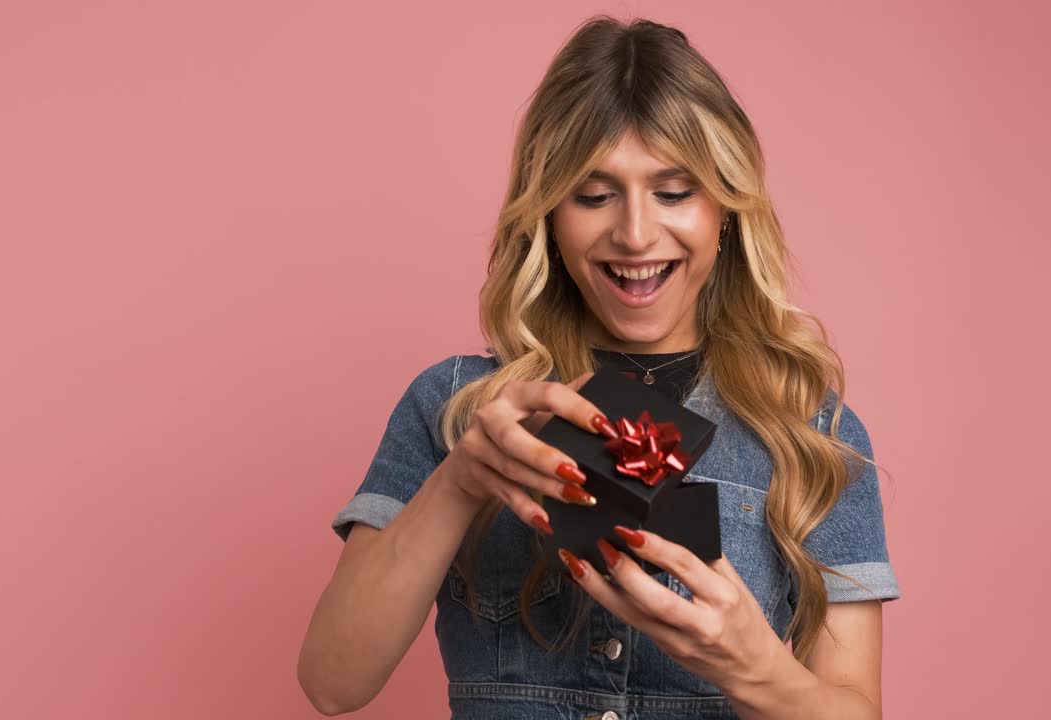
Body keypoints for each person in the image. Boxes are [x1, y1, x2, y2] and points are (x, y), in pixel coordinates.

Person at [298, 15, 901, 720]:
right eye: (593, 194)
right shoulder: (453, 404)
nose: (636, 234)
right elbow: (331, 683)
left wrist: (755, 665)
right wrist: (462, 478)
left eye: (675, 192)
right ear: (549, 211)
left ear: (726, 210)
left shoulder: (812, 432)